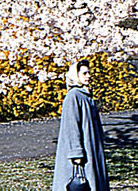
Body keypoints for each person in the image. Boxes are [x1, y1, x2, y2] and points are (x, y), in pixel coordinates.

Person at [52, 59, 109, 191]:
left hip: (91, 148)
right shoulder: (73, 97)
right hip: (82, 152)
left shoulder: (86, 97)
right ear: (75, 76)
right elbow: (71, 127)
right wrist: (76, 153)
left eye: (88, 73)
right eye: (84, 73)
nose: (88, 76)